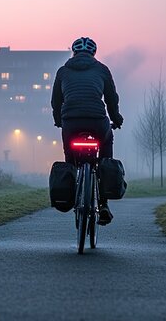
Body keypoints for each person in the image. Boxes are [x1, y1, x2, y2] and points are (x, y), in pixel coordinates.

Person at [51, 37, 123, 225]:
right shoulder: (102, 69)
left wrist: (58, 120)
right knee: (105, 149)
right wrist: (116, 119)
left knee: (70, 159)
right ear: (93, 53)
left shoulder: (63, 71)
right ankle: (104, 204)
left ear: (73, 52)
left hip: (71, 123)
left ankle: (72, 191)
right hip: (97, 121)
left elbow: (56, 101)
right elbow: (111, 99)